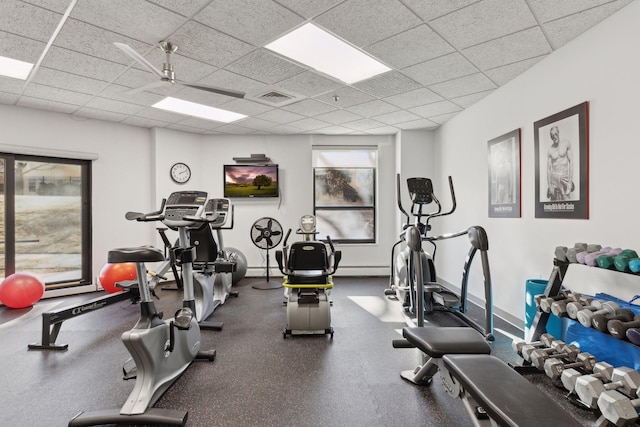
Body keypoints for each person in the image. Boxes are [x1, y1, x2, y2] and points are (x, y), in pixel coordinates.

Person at [546, 126, 574, 201]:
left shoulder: (566, 143)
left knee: (567, 206)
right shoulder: (550, 150)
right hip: (554, 182)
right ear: (551, 137)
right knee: (553, 208)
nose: (554, 137)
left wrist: (570, 182)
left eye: (555, 134)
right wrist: (549, 186)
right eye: (552, 136)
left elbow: (571, 163)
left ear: (558, 133)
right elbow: (548, 169)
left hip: (564, 179)